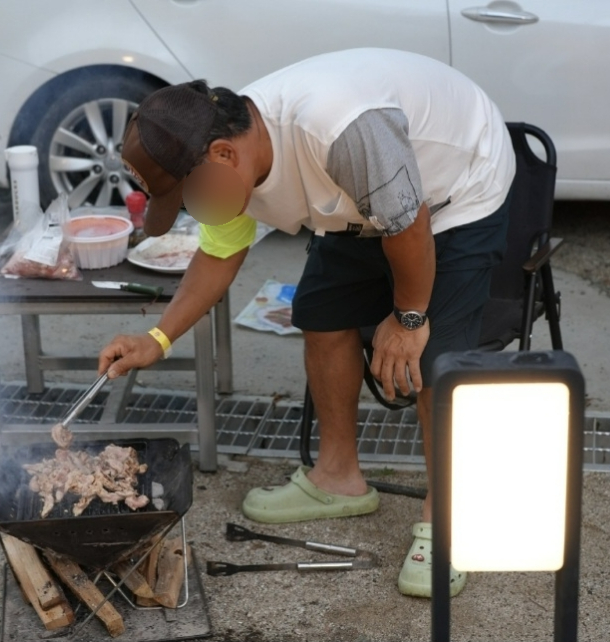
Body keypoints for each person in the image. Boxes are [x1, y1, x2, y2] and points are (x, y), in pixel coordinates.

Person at [98, 48, 515, 599]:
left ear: (224, 154)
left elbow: (409, 219)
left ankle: (447, 523)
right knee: (321, 314)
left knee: (436, 361)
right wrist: (157, 339)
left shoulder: (338, 127)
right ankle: (338, 477)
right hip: (365, 205)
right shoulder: (227, 160)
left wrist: (409, 317)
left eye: (190, 197)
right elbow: (219, 254)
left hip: (452, 193)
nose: (193, 211)